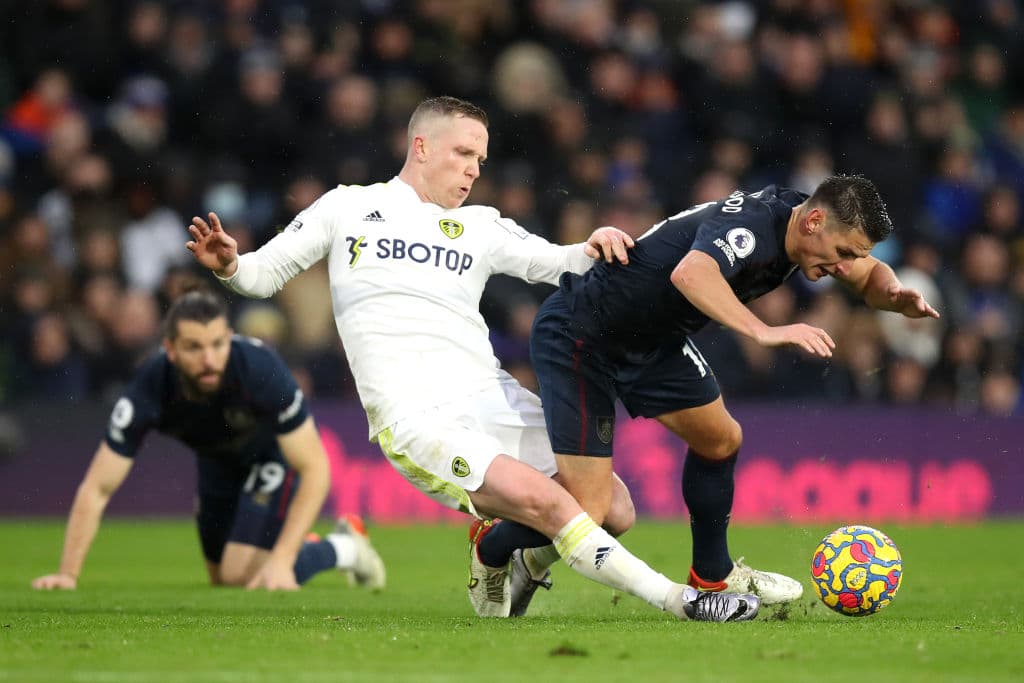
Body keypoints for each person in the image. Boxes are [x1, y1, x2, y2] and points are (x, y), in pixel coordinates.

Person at [185, 95, 761, 622]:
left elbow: (559, 261)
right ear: (421, 147)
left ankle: (498, 553)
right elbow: (265, 274)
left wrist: (600, 240)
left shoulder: (478, 226)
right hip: (417, 415)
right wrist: (230, 265)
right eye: (463, 153)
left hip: (491, 396)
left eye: (480, 159)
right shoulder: (349, 208)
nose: (473, 169)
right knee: (549, 503)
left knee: (614, 507)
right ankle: (683, 601)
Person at [525, 175, 940, 605]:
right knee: (595, 511)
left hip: (653, 341)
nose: (843, 267)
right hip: (587, 331)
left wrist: (891, 293)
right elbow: (692, 273)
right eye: (843, 253)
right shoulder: (751, 227)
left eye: (852, 255)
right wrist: (761, 330)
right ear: (814, 221)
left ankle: (713, 576)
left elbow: (868, 272)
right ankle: (494, 547)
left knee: (720, 439)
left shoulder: (807, 226)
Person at [32, 290, 385, 592]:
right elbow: (97, 487)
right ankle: (298, 548)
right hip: (216, 464)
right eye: (194, 347)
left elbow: (315, 466)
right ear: (170, 349)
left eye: (218, 344)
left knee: (241, 572)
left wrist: (282, 558)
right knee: (222, 578)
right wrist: (67, 574)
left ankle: (345, 548)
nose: (209, 360)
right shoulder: (150, 388)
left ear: (229, 336)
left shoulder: (260, 370)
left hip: (269, 457)